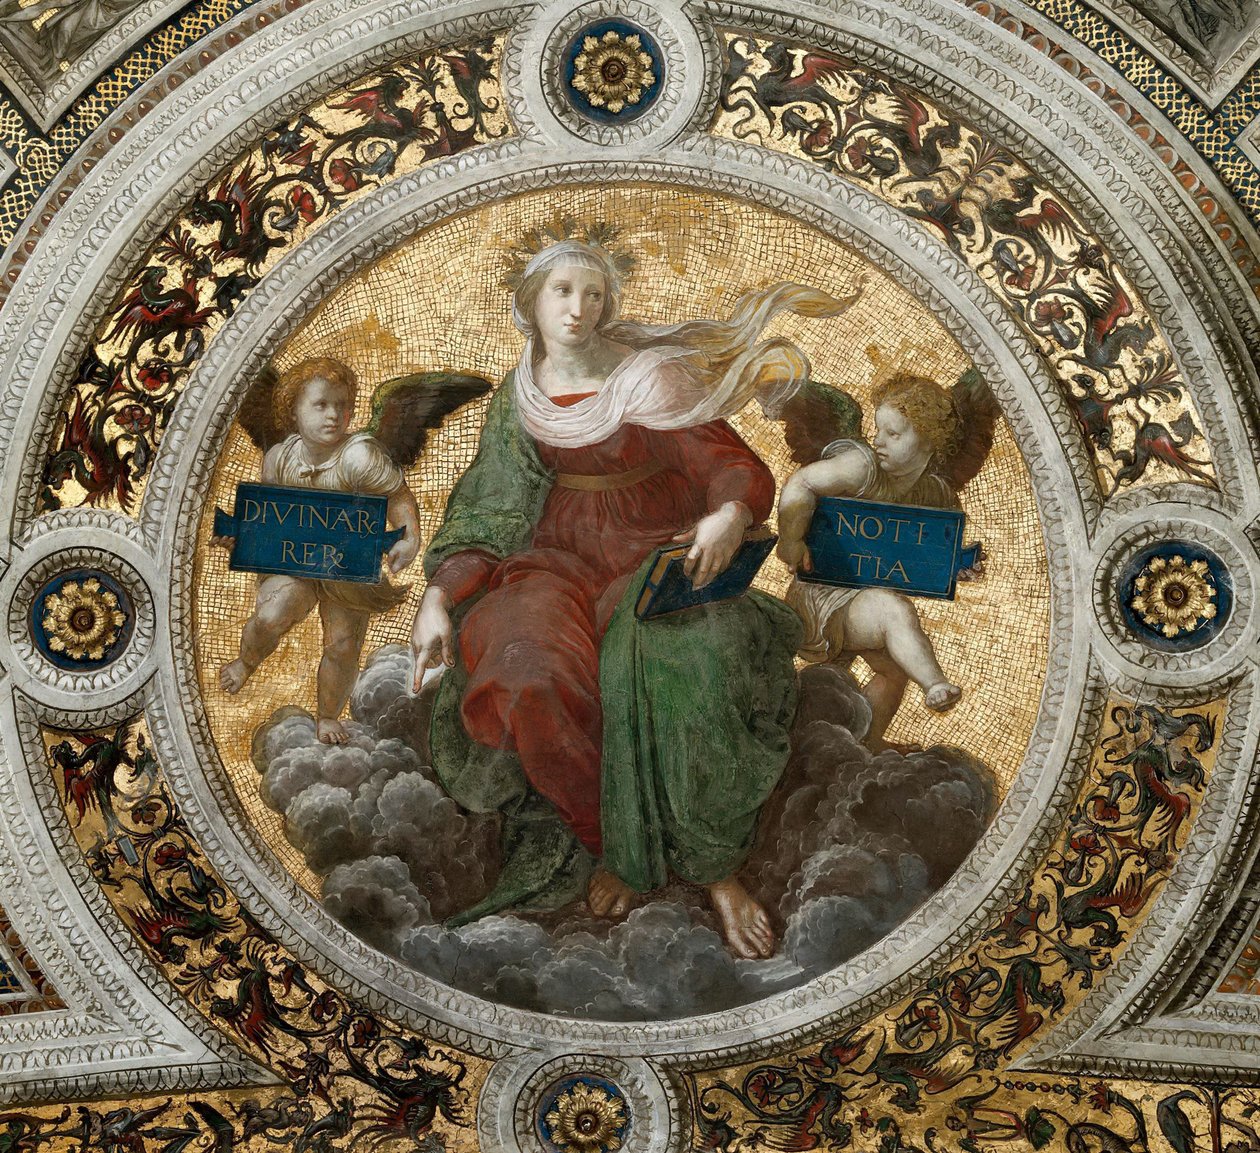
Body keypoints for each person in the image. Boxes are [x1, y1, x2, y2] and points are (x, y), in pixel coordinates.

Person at [410, 238, 858, 958]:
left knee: (676, 666)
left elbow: (729, 464)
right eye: (562, 291)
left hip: (656, 551)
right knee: (524, 672)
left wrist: (729, 513)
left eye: (593, 294)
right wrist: (438, 595)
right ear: (530, 302)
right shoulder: (517, 399)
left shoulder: (651, 378)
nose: (578, 309)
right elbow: (486, 514)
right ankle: (612, 841)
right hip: (552, 564)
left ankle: (713, 869)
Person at [219, 357, 421, 744]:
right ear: (293, 411)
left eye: (342, 405)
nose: (334, 415)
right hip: (293, 561)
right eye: (321, 404)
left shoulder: (359, 456)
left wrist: (409, 537)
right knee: (272, 613)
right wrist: (240, 536)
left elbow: (398, 496)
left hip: (345, 565)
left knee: (342, 645)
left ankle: (327, 715)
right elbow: (266, 515)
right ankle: (246, 661)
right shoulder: (280, 458)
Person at [775, 373, 967, 751]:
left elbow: (937, 550)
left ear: (929, 440)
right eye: (879, 430)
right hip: (823, 596)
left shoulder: (935, 494)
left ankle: (865, 745)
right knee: (894, 611)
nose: (878, 441)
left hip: (866, 601)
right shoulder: (862, 466)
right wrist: (791, 539)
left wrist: (959, 564)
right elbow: (801, 483)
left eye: (893, 434)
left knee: (893, 670)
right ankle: (935, 684)